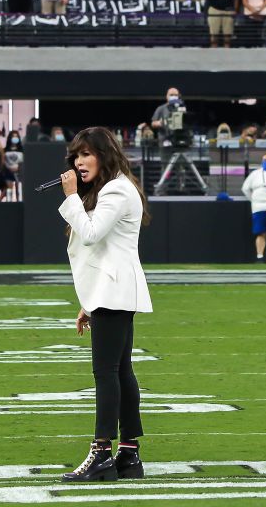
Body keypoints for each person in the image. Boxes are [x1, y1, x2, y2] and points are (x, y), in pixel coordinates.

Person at [57, 127, 152, 482]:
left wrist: (70, 197)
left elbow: (92, 233)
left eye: (86, 154)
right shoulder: (117, 186)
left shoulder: (116, 188)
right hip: (112, 291)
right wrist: (90, 303)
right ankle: (129, 455)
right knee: (121, 370)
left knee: (106, 372)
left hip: (114, 290)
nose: (79, 162)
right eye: (76, 156)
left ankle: (101, 452)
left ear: (104, 153)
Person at [241, 155, 266, 262]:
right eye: (265, 160)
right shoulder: (255, 174)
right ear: (262, 161)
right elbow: (245, 188)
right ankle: (260, 256)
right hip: (259, 208)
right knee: (260, 232)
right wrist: (253, 200)